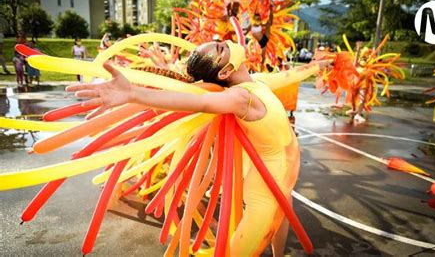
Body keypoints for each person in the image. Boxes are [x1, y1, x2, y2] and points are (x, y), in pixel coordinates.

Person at [67, 40, 330, 256]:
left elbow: (288, 75)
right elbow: (197, 103)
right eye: (220, 48)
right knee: (244, 249)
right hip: (266, 186)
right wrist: (134, 93)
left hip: (284, 179)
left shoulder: (257, 82)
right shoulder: (240, 98)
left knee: (283, 217)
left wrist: (317, 66)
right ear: (225, 71)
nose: (225, 41)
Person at [248, 0, 274, 66]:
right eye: (257, 18)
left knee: (269, 23)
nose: (258, 19)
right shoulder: (251, 25)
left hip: (264, 39)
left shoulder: (260, 24)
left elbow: (268, 23)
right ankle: (262, 66)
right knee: (262, 58)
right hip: (261, 41)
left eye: (259, 18)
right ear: (254, 18)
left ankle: (271, 9)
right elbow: (246, 30)